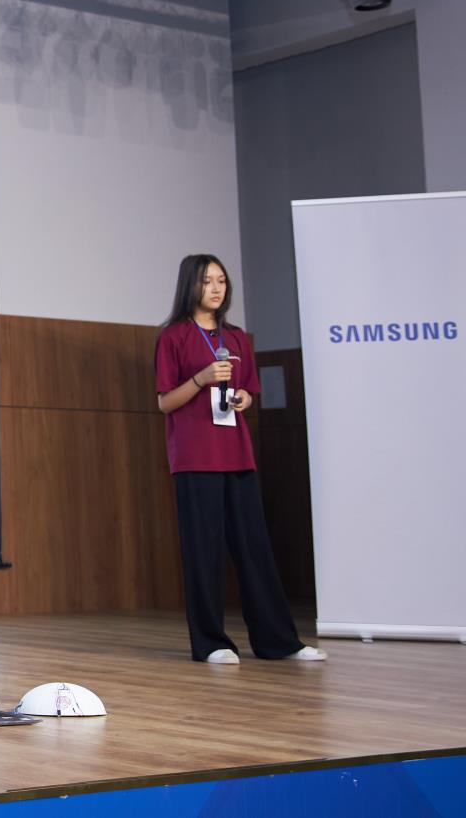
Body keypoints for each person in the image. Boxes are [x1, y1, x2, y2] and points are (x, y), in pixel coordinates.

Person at [154, 253, 325, 665]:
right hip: (195, 458)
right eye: (207, 281)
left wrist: (244, 397)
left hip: (236, 453)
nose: (216, 288)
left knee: (255, 549)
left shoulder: (236, 338)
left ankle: (279, 642)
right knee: (204, 552)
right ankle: (210, 643)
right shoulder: (173, 337)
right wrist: (201, 379)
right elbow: (165, 402)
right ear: (190, 286)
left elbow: (247, 390)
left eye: (221, 281)